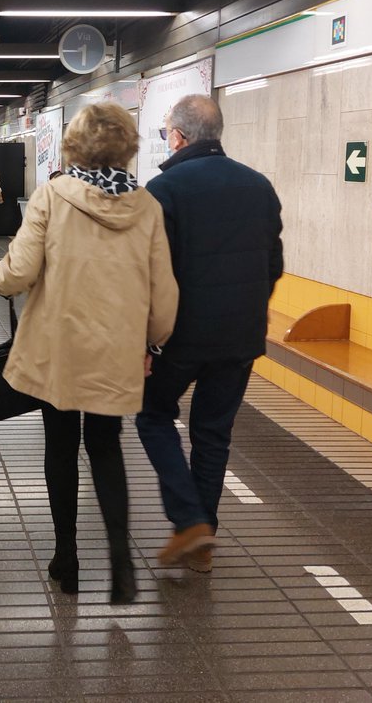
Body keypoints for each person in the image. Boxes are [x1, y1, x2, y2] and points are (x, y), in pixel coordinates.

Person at [0, 103, 179, 604]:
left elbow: (21, 269)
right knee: (105, 447)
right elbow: (165, 296)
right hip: (116, 352)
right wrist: (151, 344)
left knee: (60, 448)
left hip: (60, 348)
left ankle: (67, 558)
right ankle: (120, 560)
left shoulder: (53, 195)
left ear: (73, 145)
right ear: (126, 145)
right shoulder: (147, 206)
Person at [136, 94, 283, 573]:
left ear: (178, 136)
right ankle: (202, 540)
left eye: (165, 133)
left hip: (182, 337)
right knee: (213, 434)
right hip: (241, 336)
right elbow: (273, 264)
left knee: (153, 412)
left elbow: (149, 276)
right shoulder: (259, 187)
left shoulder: (164, 190)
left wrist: (143, 342)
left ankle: (189, 518)